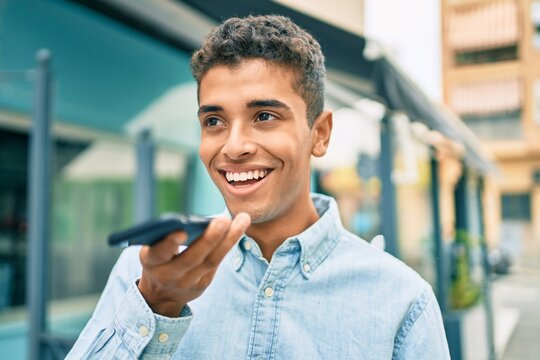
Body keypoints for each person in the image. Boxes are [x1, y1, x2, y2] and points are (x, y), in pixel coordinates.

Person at [68, 15, 450, 359]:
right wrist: (155, 305)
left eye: (264, 116)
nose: (233, 147)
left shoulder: (402, 301)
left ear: (319, 134)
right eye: (214, 121)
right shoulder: (146, 268)